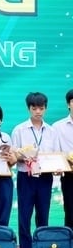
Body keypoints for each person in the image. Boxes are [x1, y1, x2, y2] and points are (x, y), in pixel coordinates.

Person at [11, 92, 59, 248]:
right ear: (28, 108)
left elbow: (55, 154)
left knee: (43, 218)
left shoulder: (52, 131)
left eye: (41, 108)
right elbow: (13, 156)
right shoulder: (19, 130)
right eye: (34, 108)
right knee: (24, 217)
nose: (38, 111)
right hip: (26, 177)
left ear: (46, 108)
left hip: (45, 177)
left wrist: (57, 166)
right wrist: (23, 156)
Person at [54, 89, 73, 230]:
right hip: (69, 176)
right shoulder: (57, 127)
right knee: (71, 212)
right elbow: (55, 153)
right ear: (68, 104)